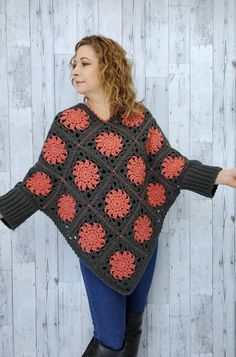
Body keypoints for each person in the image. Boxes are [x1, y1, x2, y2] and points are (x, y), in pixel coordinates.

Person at [0, 35, 236, 357]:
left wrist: (218, 175)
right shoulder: (68, 124)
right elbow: (43, 178)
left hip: (142, 243)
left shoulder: (138, 119)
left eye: (84, 63)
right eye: (74, 64)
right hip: (97, 250)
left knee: (131, 330)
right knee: (109, 341)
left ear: (108, 67)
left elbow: (167, 162)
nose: (75, 71)